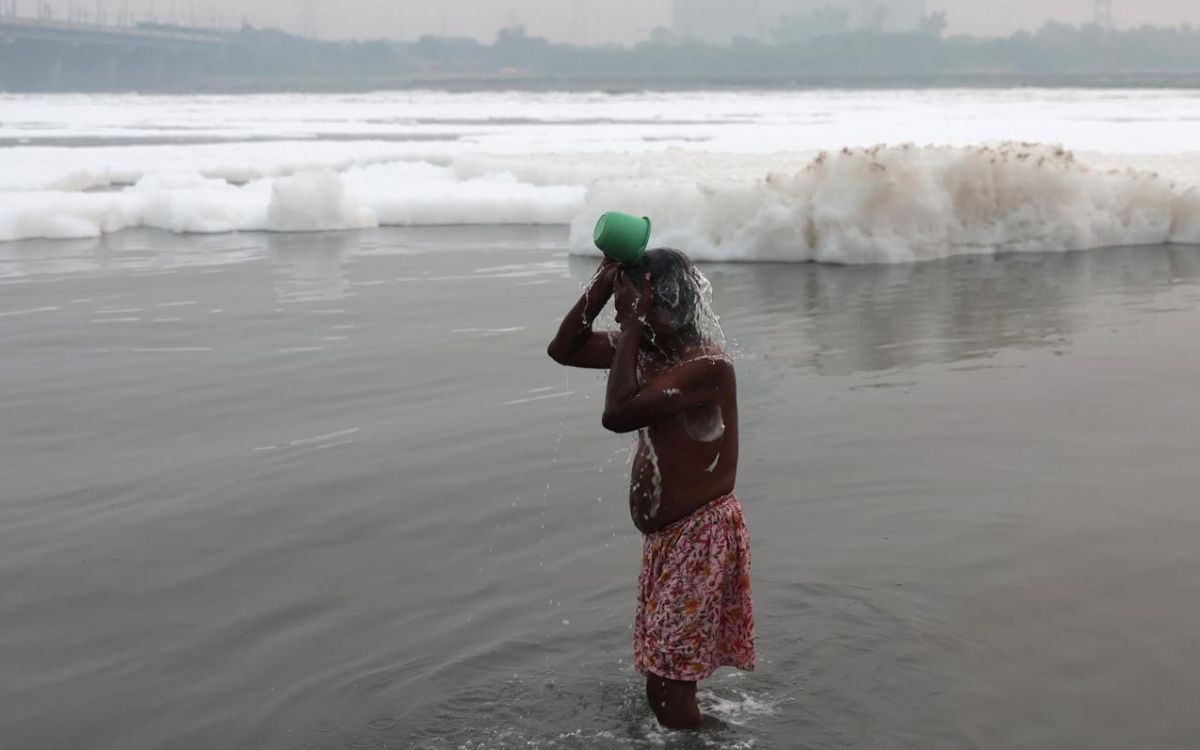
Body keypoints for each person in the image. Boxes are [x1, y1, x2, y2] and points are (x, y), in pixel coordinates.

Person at [547, 248, 756, 730]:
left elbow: (617, 414)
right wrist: (603, 282)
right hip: (668, 541)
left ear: (672, 302)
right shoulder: (648, 351)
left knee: (666, 686)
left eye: (636, 304)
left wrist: (633, 326)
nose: (625, 315)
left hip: (700, 538)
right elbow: (564, 349)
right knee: (665, 671)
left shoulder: (707, 365)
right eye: (623, 305)